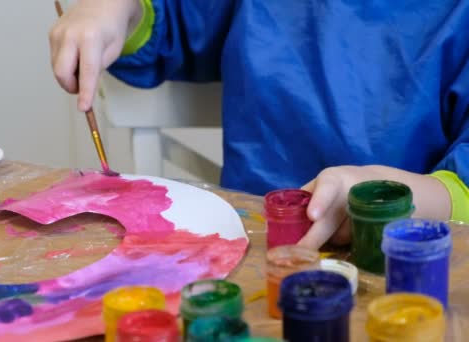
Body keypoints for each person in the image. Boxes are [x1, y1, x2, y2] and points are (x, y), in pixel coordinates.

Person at [49, 0, 469, 249]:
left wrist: (391, 200)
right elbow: (175, 25)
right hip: (255, 246)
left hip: (410, 267)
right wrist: (117, 10)